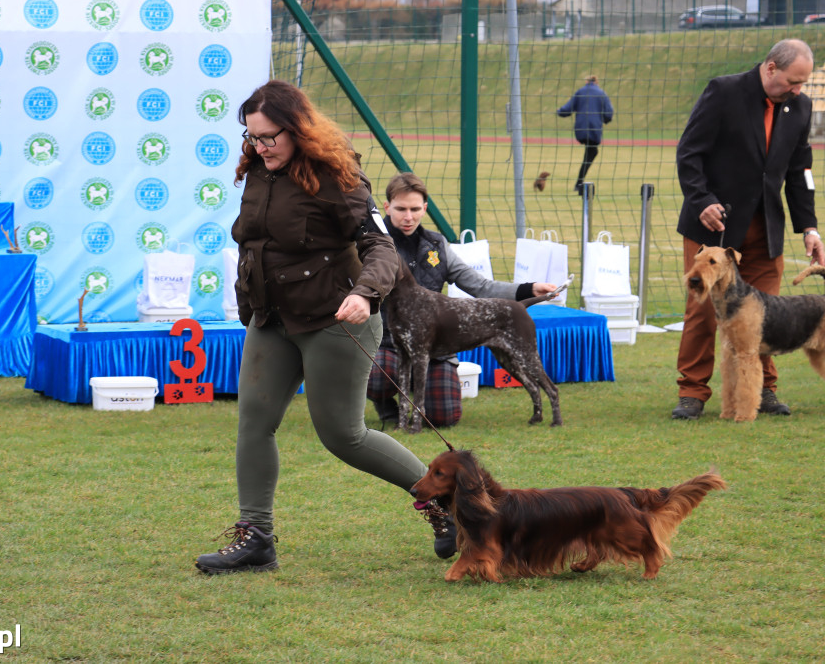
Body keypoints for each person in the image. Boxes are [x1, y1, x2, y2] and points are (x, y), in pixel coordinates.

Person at [195, 81, 455, 575]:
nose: (260, 147)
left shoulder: (338, 175)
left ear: (297, 130)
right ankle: (256, 538)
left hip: (337, 319)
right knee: (253, 422)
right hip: (273, 319)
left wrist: (365, 293)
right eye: (252, 138)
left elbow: (379, 247)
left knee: (343, 435)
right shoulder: (258, 171)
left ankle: (442, 501)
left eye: (270, 137)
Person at [672, 38, 825, 420]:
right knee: (703, 312)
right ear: (771, 67)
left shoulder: (800, 106)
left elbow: (799, 171)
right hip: (715, 225)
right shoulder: (723, 91)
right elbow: (689, 152)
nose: (798, 90)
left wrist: (809, 227)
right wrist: (702, 199)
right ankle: (692, 393)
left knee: (768, 313)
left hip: (766, 228)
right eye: (793, 81)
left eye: (803, 83)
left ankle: (765, 392)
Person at [367, 172, 557, 428]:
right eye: (401, 209)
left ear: (424, 208)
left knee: (445, 415)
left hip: (437, 346)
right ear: (387, 207)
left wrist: (527, 289)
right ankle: (389, 410)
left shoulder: (437, 245)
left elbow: (481, 286)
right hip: (387, 342)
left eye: (414, 209)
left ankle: (419, 397)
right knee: (376, 377)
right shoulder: (377, 246)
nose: (408, 216)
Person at [557, 75, 614, 194]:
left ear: (587, 82)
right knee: (592, 152)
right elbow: (609, 113)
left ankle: (579, 183)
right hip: (594, 130)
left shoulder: (580, 92)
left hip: (580, 130)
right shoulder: (601, 93)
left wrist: (559, 112)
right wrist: (604, 120)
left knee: (591, 152)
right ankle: (578, 183)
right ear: (596, 82)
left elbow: (567, 109)